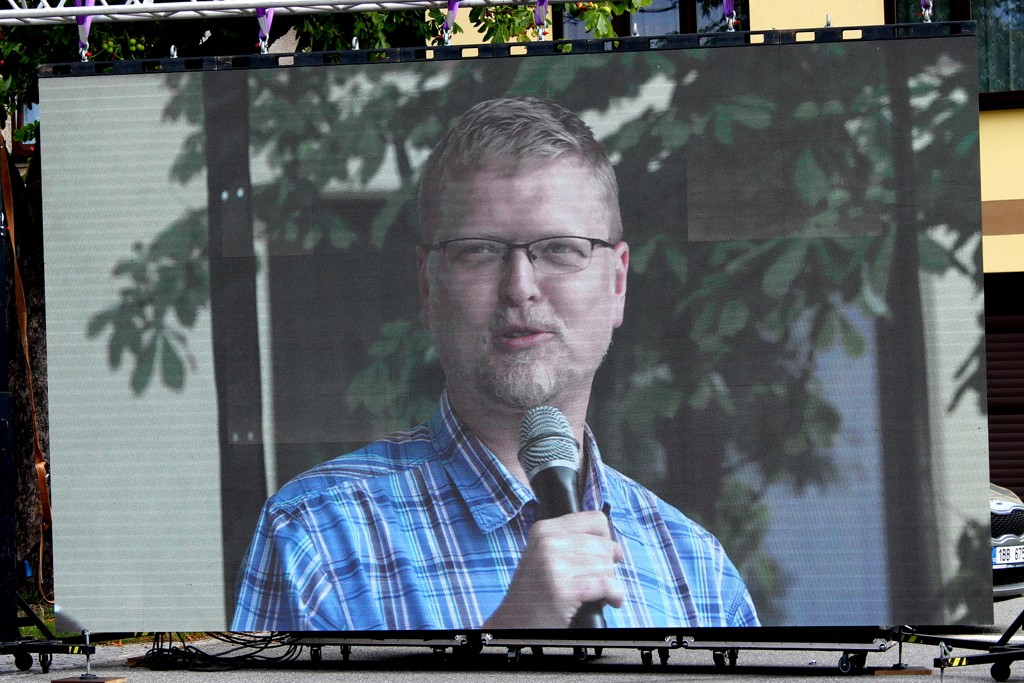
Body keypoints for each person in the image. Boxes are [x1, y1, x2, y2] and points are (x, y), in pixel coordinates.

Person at [231, 96, 759, 632]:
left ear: (617, 282)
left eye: (560, 249)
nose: (520, 287)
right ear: (427, 287)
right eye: (479, 251)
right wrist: (508, 635)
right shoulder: (317, 538)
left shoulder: (699, 575)